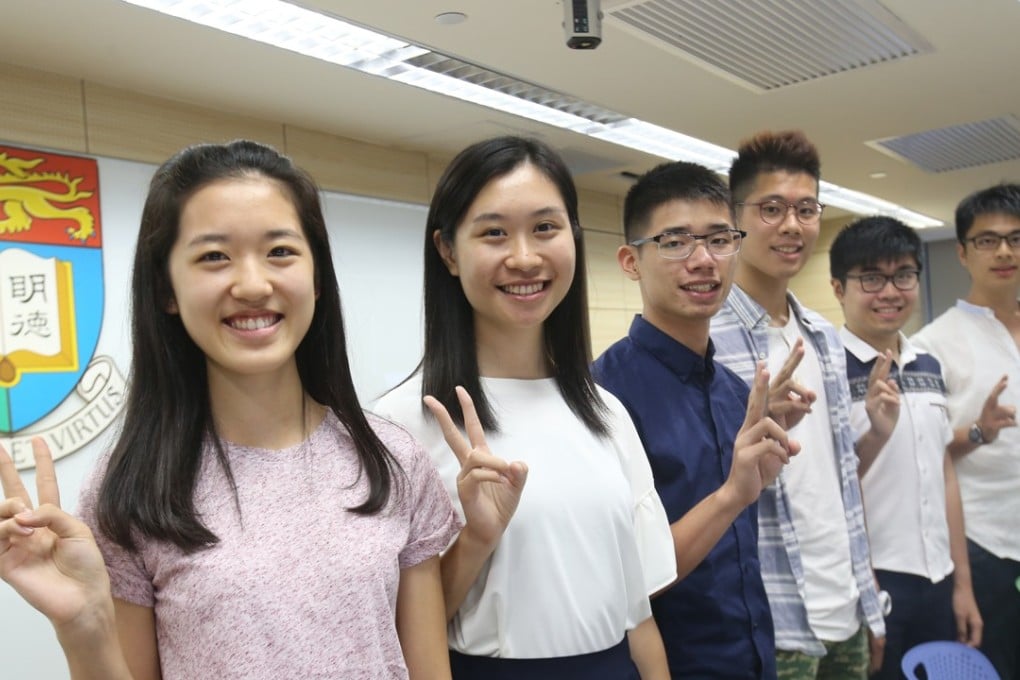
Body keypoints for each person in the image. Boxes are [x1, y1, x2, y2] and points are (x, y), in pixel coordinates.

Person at [0, 140, 461, 680]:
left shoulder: (391, 457)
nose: (253, 284)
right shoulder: (132, 486)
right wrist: (83, 626)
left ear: (316, 278)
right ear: (167, 289)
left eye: (280, 251)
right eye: (214, 256)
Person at [374, 136, 677, 680]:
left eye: (545, 228)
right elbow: (392, 638)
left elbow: (638, 619)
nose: (524, 257)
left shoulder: (607, 413)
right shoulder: (399, 426)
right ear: (447, 251)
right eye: (493, 233)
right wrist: (476, 539)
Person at [591, 160, 798, 679]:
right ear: (631, 261)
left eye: (719, 239)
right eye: (676, 242)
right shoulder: (601, 398)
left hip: (754, 658)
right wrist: (731, 495)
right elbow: (623, 578)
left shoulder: (736, 393)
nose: (703, 261)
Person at [710, 130, 886, 679]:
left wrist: (869, 596)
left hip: (846, 605)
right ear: (733, 217)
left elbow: (839, 478)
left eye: (806, 209)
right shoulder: (707, 339)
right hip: (771, 616)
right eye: (771, 209)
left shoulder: (823, 337)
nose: (792, 225)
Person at [829, 215, 983, 679]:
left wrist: (963, 582)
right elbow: (826, 491)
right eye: (871, 278)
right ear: (839, 288)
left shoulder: (928, 365)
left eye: (903, 275)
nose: (890, 292)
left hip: (938, 576)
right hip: (873, 582)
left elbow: (944, 476)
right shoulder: (825, 372)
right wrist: (863, 585)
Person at [912, 183, 1020, 680]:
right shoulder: (931, 345)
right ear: (961, 252)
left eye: (1016, 238)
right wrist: (978, 430)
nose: (1004, 251)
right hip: (985, 548)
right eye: (988, 240)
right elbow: (919, 455)